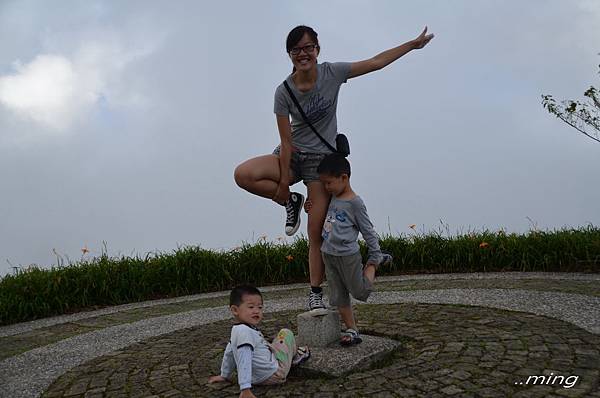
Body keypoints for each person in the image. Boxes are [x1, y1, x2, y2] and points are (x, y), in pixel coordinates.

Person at [234, 25, 434, 313]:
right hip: (291, 155)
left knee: (315, 233)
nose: (303, 54)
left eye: (308, 47)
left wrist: (411, 45)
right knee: (244, 174)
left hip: (320, 164)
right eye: (296, 50)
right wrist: (283, 189)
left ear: (317, 49)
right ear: (289, 55)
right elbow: (285, 141)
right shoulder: (284, 91)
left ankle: (315, 292)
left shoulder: (333, 73)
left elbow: (375, 62)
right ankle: (292, 201)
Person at [305, 154, 392, 345]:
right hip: (328, 254)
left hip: (348, 256)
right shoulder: (332, 197)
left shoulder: (355, 203)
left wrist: (374, 252)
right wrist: (309, 206)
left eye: (328, 183)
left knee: (359, 292)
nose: (326, 188)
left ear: (344, 178)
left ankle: (374, 263)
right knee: (338, 296)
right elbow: (318, 211)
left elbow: (367, 230)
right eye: (324, 184)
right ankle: (352, 330)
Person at [208, 285, 310, 398]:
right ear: (235, 310)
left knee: (273, 342)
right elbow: (244, 358)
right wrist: (245, 388)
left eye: (260, 307)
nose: (256, 311)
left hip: (255, 378)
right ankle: (296, 356)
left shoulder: (237, 330)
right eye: (251, 307)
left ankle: (286, 353)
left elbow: (229, 353)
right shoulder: (245, 332)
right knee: (286, 333)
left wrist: (224, 375)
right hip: (274, 374)